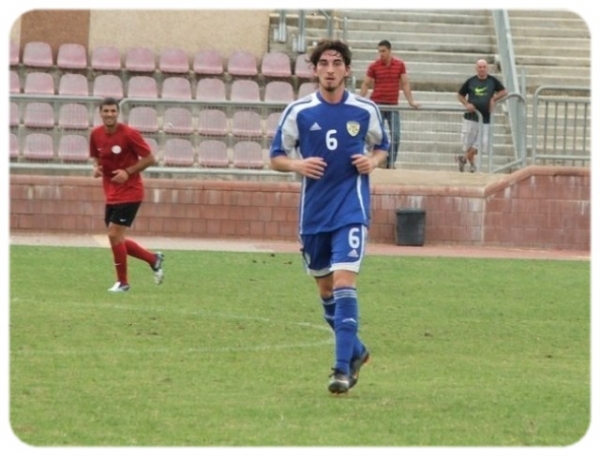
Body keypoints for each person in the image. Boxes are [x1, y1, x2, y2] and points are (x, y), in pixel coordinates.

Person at [269, 39, 390, 394]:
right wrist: (298, 164)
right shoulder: (299, 111)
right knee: (325, 291)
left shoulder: (364, 109)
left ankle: (340, 371)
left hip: (351, 210)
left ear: (347, 70)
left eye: (337, 63)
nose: (330, 70)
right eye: (324, 63)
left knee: (343, 283)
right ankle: (357, 351)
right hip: (314, 215)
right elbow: (276, 156)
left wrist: (373, 161)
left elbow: (383, 146)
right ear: (315, 70)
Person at [89, 97, 164, 292]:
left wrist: (128, 172)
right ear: (100, 113)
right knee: (117, 238)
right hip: (111, 193)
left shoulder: (129, 134)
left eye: (113, 111)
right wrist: (97, 168)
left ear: (117, 113)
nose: (109, 114)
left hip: (131, 192)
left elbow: (150, 159)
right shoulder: (95, 134)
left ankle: (123, 283)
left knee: (114, 234)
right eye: (106, 111)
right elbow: (97, 157)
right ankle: (153, 259)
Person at [359, 39, 420, 169]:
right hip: (378, 105)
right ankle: (378, 160)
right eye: (379, 51)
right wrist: (359, 100)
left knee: (396, 135)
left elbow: (405, 83)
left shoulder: (399, 65)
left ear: (390, 51)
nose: (381, 54)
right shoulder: (374, 66)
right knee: (376, 135)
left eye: (383, 51)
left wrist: (411, 101)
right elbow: (366, 84)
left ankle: (390, 161)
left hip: (392, 105)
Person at [457, 59, 507, 173]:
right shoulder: (470, 81)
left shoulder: (492, 81)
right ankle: (472, 165)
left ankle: (463, 158)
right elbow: (460, 95)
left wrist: (493, 98)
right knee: (469, 143)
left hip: (486, 118)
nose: (482, 69)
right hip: (471, 117)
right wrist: (466, 104)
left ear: (487, 68)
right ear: (476, 68)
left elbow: (504, 91)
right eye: (480, 67)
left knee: (483, 142)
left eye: (484, 67)